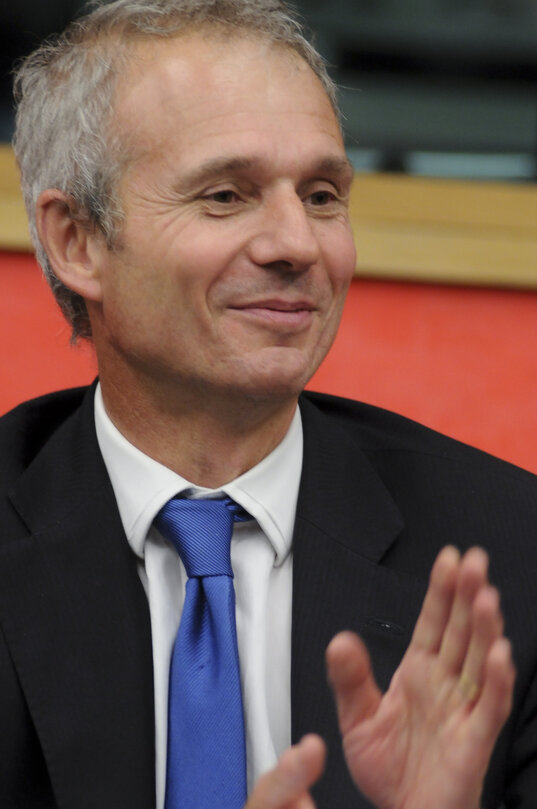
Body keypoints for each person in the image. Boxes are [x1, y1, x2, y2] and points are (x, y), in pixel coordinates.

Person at [2, 1, 537, 807]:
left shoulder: (508, 556)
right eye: (225, 195)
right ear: (78, 241)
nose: (297, 244)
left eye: (322, 195)